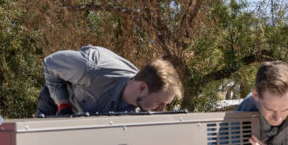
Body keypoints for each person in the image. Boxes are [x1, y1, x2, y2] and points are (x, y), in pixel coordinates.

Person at [36, 45, 183, 116]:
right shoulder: (90, 68)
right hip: (57, 101)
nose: (162, 110)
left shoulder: (139, 108)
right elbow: (50, 64)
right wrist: (63, 105)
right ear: (142, 87)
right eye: (159, 103)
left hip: (86, 117)